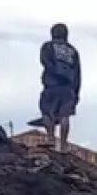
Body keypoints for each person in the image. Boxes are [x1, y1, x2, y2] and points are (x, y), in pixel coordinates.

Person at [39, 23, 81, 153]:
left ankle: (51, 139)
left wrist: (55, 73)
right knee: (65, 116)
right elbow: (78, 74)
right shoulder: (73, 51)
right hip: (68, 88)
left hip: (51, 85)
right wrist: (76, 93)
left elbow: (45, 61)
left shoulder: (47, 46)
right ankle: (63, 146)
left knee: (47, 112)